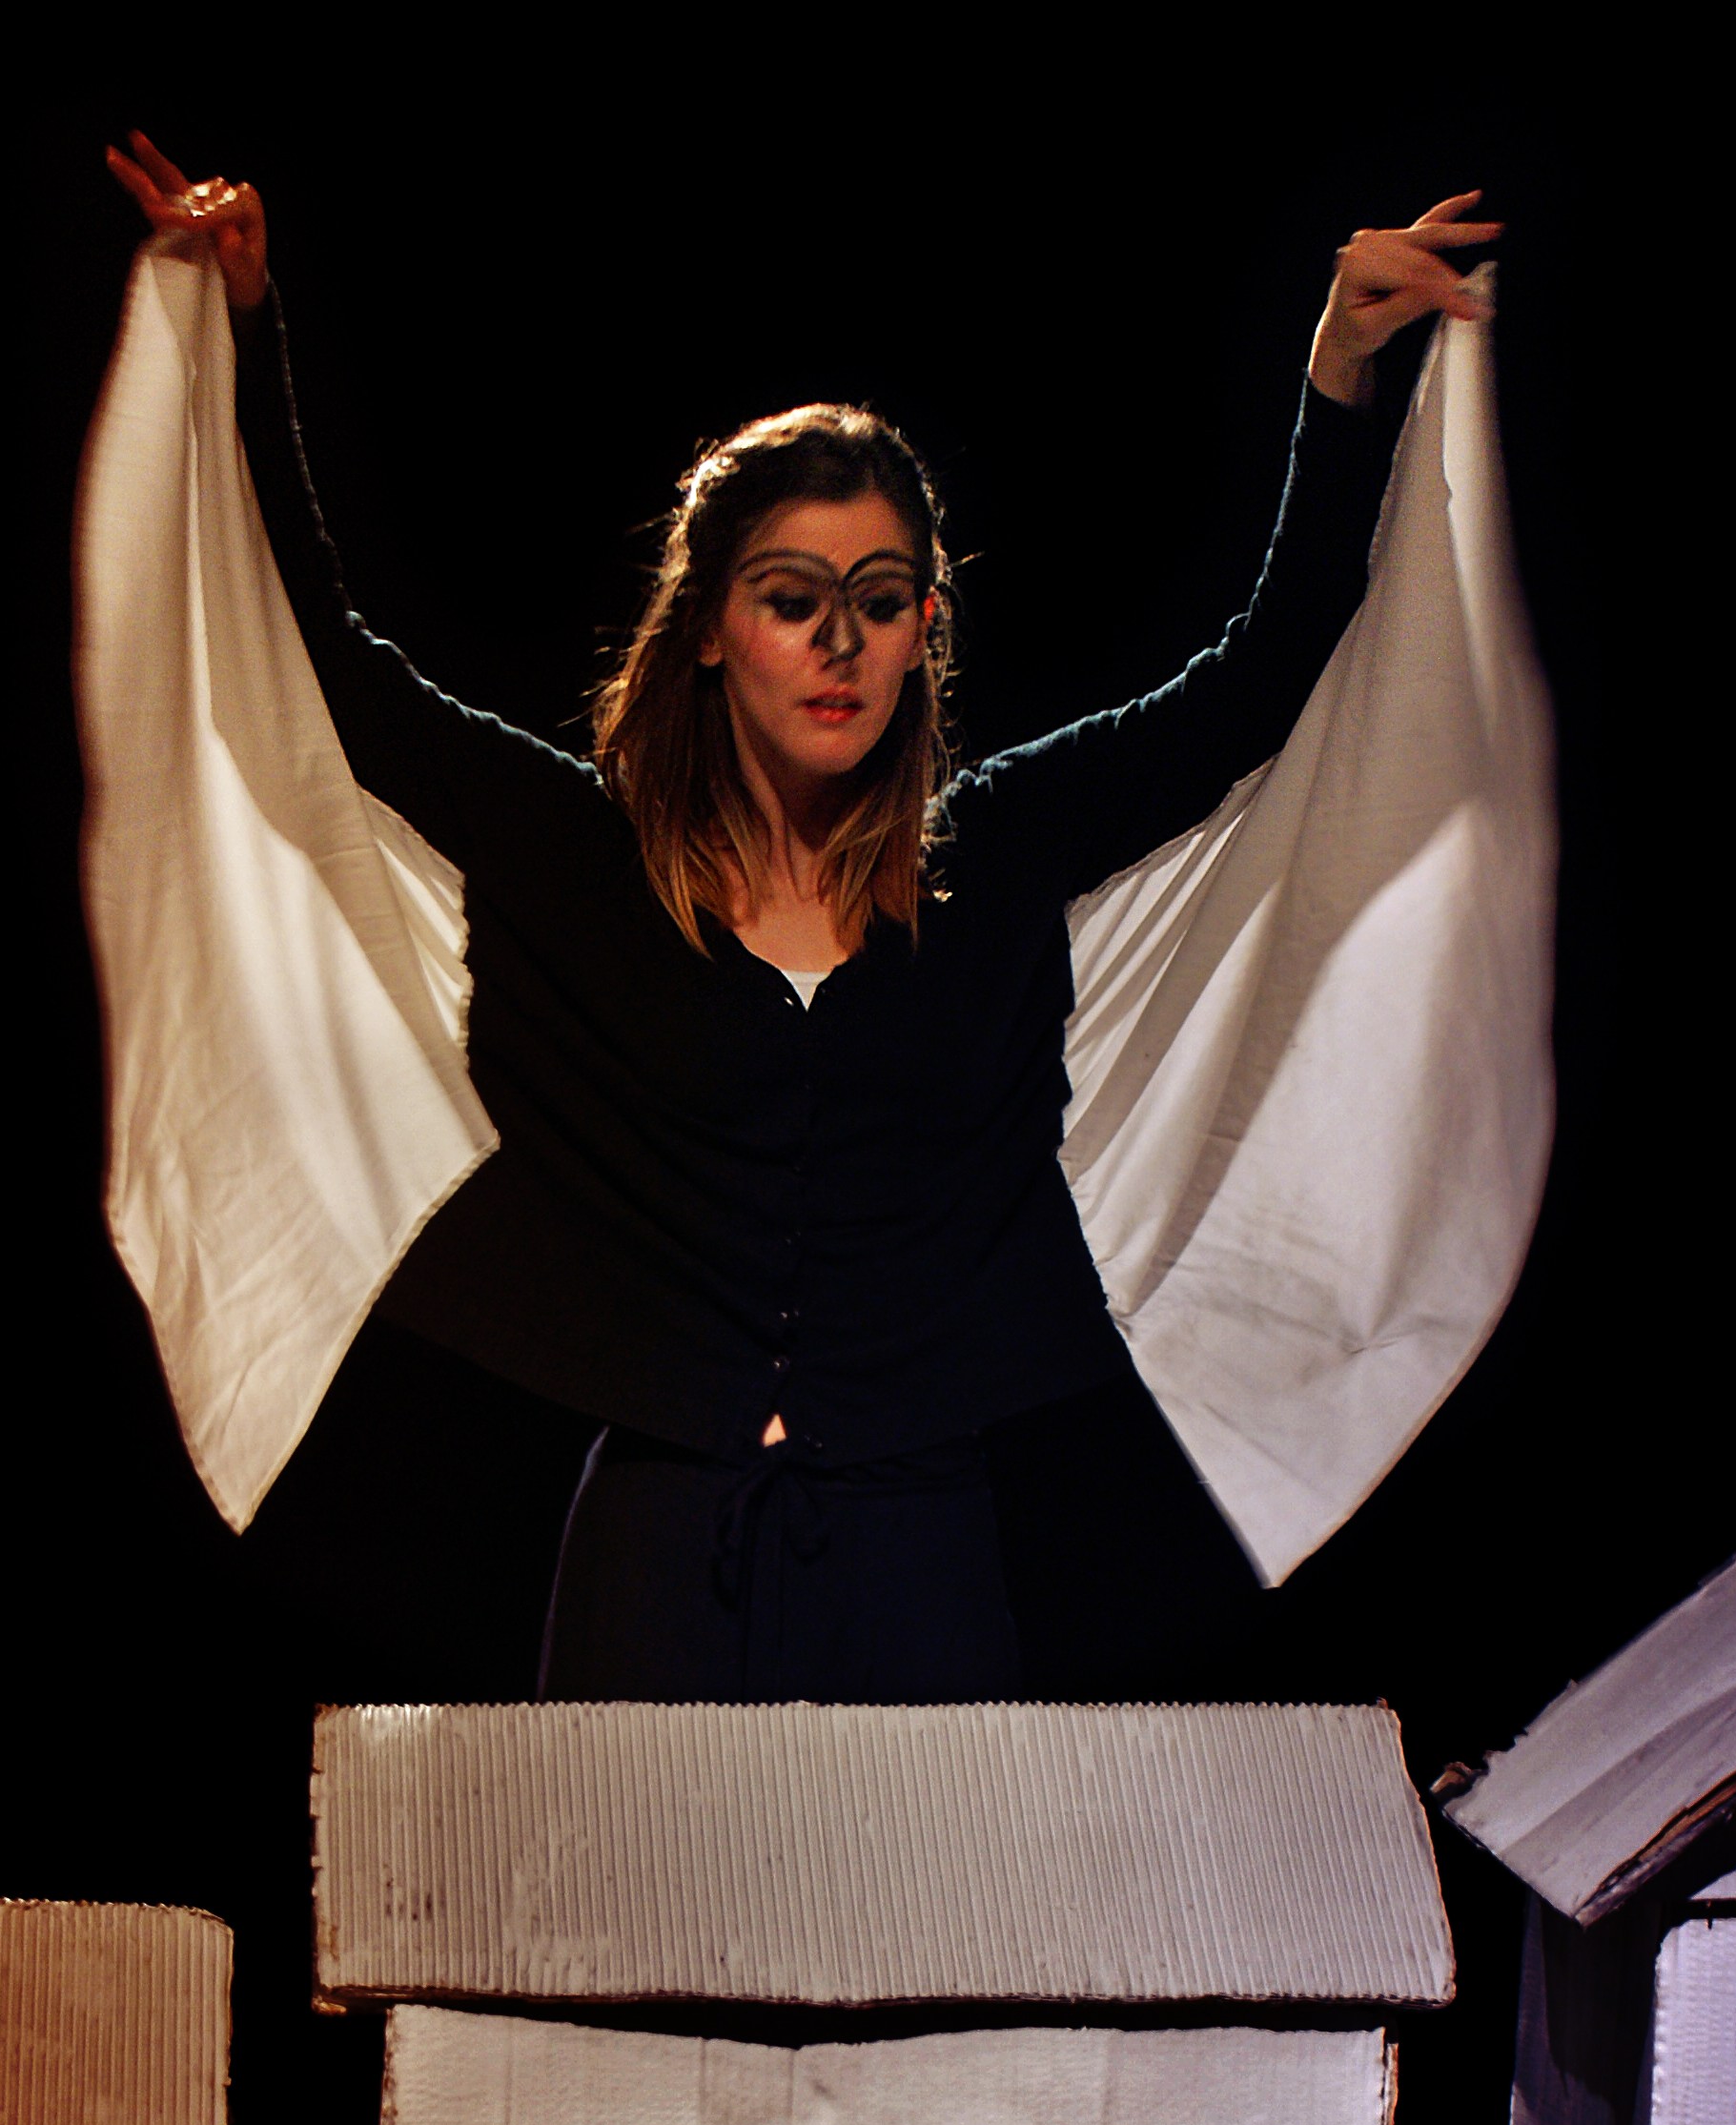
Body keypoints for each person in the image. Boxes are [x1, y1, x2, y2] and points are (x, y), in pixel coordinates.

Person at [110, 136, 1498, 1701]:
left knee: (923, 1868)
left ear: (921, 629)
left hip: (923, 1543)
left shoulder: (999, 851)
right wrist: (246, 328)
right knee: (632, 1867)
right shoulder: (581, 857)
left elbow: (1262, 673)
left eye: (881, 597)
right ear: (713, 627)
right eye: (790, 597)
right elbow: (328, 662)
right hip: (657, 1536)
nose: (838, 640)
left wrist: (1339, 370)